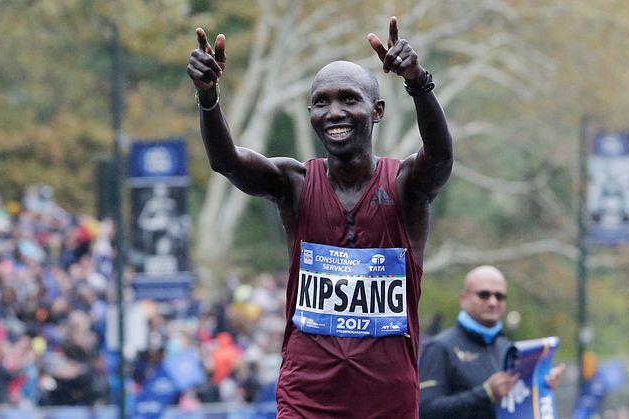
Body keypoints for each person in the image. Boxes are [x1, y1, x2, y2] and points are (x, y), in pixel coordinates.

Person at [187, 15, 452, 419]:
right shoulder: (293, 183)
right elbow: (227, 161)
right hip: (306, 398)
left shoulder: (404, 184)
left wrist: (417, 81)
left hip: (387, 400)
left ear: (377, 110)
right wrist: (208, 96)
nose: (334, 112)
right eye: (322, 102)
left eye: (349, 99)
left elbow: (441, 159)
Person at [419, 265, 566, 419]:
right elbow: (425, 410)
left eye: (500, 296)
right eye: (484, 295)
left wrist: (542, 388)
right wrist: (485, 393)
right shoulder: (439, 347)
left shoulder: (508, 348)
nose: (493, 302)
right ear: (463, 298)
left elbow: (518, 405)